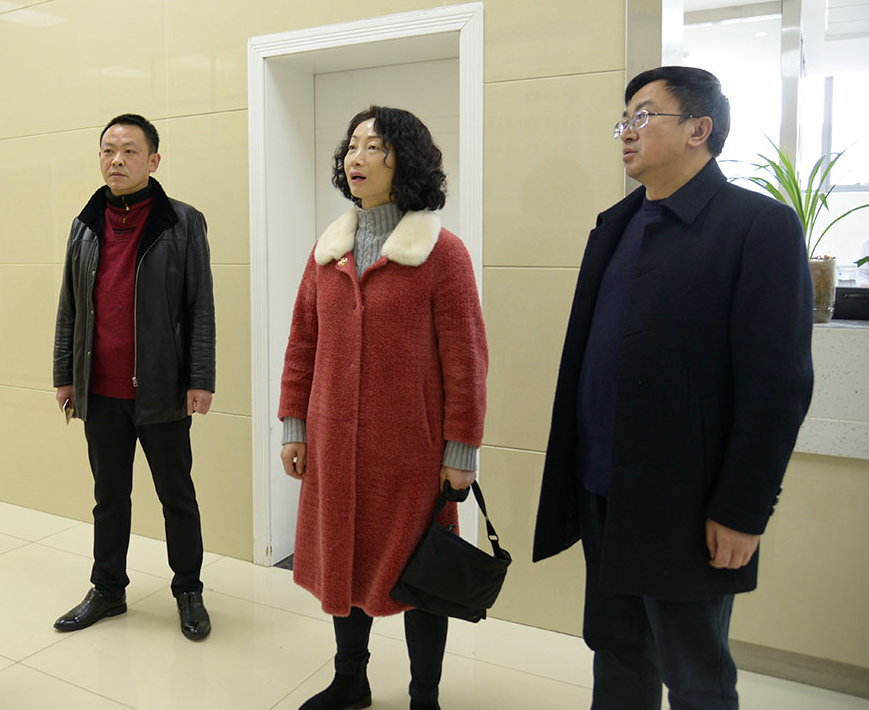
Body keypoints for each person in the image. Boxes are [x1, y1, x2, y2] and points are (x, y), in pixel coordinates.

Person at [532, 66, 814, 710]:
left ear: (698, 129)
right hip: (603, 488)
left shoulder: (758, 226)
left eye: (643, 115)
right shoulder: (617, 224)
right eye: (623, 120)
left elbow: (778, 388)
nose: (627, 132)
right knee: (617, 651)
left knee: (695, 674)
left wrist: (743, 510)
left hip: (688, 503)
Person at [278, 106, 489, 710]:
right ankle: (351, 681)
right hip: (332, 446)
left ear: (407, 161)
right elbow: (303, 344)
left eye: (375, 146)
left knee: (422, 573)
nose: (357, 157)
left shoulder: (442, 253)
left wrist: (461, 451)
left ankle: (425, 696)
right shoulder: (328, 252)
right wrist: (294, 424)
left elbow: (467, 361)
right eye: (352, 145)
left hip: (411, 455)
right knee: (342, 562)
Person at [52, 113, 216, 641]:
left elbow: (200, 306)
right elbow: (69, 307)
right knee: (109, 497)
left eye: (128, 151)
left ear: (153, 160)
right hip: (100, 389)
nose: (116, 160)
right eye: (108, 150)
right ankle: (108, 589)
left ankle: (188, 590)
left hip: (163, 388)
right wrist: (65, 375)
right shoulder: (85, 224)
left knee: (177, 496)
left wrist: (200, 377)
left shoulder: (182, 222)